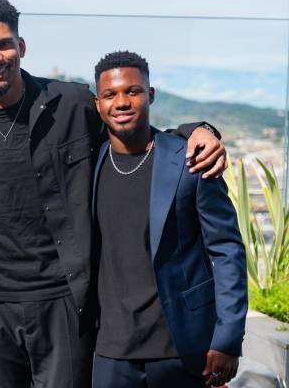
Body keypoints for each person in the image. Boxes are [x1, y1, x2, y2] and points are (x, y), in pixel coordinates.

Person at [0, 0, 228, 387]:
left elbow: (131, 129)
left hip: (64, 300)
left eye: (3, 44)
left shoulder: (72, 104)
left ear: (21, 46)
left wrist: (196, 130)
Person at [91, 51, 246, 388]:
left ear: (150, 94)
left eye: (133, 91)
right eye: (110, 94)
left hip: (181, 348)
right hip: (109, 351)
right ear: (97, 104)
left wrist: (228, 337)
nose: (122, 102)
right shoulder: (91, 162)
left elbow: (227, 250)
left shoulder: (191, 161)